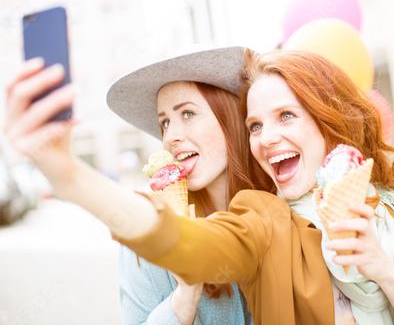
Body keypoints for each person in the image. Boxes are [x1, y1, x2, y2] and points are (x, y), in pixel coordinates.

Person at [3, 47, 394, 324]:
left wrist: (383, 268)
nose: (171, 134)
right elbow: (190, 244)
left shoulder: (387, 210)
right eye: (258, 124)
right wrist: (69, 176)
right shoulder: (264, 214)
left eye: (286, 116)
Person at [3, 48, 267, 324]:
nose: (170, 137)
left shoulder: (285, 207)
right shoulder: (146, 236)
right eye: (164, 122)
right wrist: (184, 296)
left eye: (187, 113)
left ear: (232, 118)